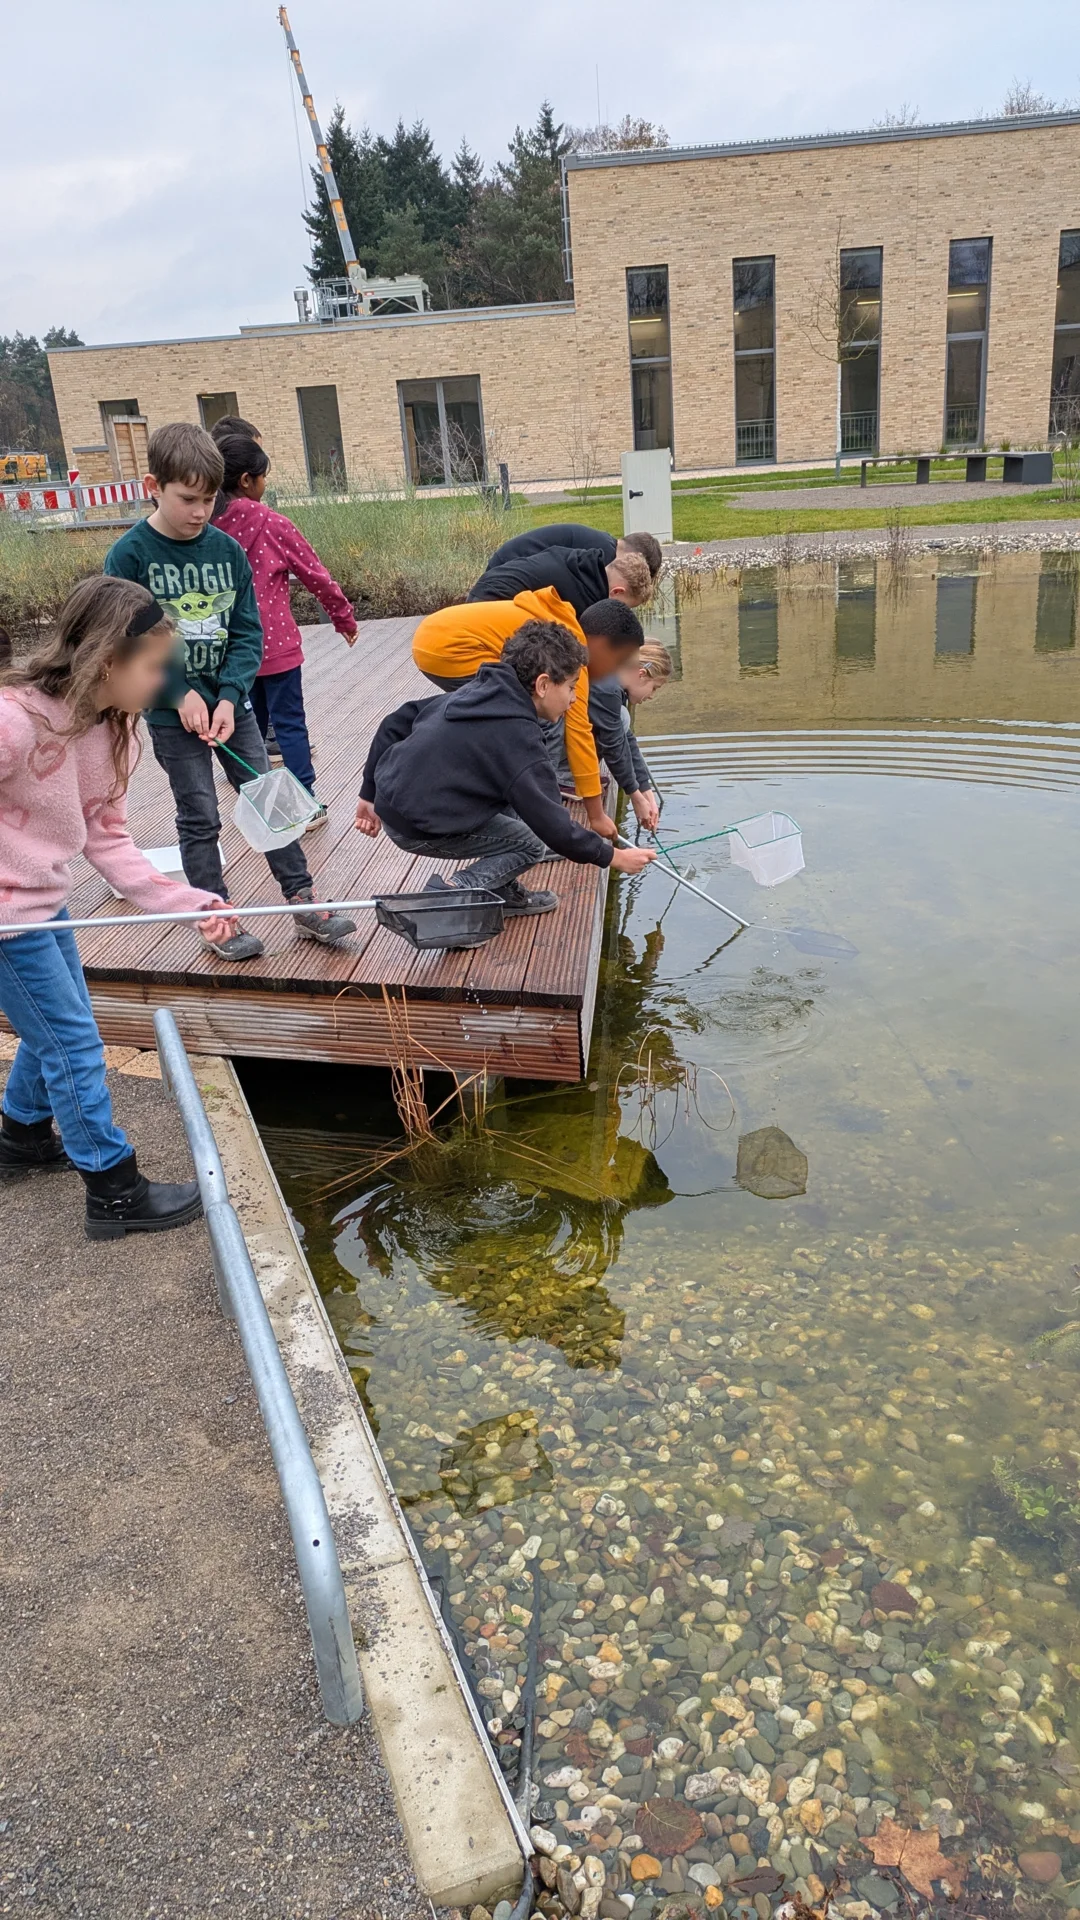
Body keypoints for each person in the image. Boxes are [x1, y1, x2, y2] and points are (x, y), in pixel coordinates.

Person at [0, 575, 238, 1237]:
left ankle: (19, 1138)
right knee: (73, 1042)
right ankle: (113, 1190)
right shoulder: (14, 722)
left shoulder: (117, 733)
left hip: (46, 905)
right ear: (110, 661)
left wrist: (190, 902)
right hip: (5, 924)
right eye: (155, 667)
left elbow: (110, 842)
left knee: (60, 1023)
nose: (163, 680)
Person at [104, 422, 354, 962]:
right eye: (187, 499)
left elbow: (247, 632)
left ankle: (302, 900)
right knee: (199, 815)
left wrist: (228, 694)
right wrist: (179, 694)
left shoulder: (227, 551)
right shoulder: (129, 557)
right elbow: (124, 642)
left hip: (230, 705)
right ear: (154, 484)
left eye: (209, 499)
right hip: (172, 717)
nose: (200, 511)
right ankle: (214, 915)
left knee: (269, 801)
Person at [356, 620, 656, 915]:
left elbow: (395, 721)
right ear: (542, 685)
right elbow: (556, 828)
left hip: (394, 796)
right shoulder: (518, 739)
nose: (574, 698)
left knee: (521, 816)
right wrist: (614, 857)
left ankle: (500, 889)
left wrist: (369, 793)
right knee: (530, 845)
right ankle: (457, 892)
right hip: (417, 826)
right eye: (570, 687)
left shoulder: (482, 690)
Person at [411, 588, 644, 840]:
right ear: (601, 645)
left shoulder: (563, 625)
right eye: (617, 660)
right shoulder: (573, 658)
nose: (614, 671)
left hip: (431, 638)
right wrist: (596, 816)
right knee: (544, 716)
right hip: (452, 650)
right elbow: (580, 736)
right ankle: (535, 824)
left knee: (522, 710)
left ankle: (522, 809)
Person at [212, 433, 358, 827]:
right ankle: (305, 804)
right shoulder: (273, 523)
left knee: (249, 732)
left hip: (229, 650)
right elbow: (315, 575)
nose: (266, 483)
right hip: (275, 647)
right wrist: (342, 617)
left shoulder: (206, 528)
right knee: (290, 725)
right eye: (263, 476)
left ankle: (263, 808)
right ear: (246, 480)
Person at [554, 639, 674, 834]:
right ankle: (564, 778)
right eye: (654, 688)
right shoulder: (606, 690)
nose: (651, 696)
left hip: (559, 736)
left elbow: (627, 740)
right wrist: (635, 796)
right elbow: (613, 746)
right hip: (550, 742)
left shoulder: (612, 682)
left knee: (622, 719)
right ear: (641, 674)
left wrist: (645, 790)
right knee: (621, 717)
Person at [467, 542, 652, 618]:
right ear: (617, 591)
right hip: (488, 608)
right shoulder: (584, 599)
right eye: (624, 606)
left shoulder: (579, 563)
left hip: (483, 589)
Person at [484, 522, 663, 584]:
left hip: (505, 563)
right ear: (635, 559)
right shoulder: (603, 557)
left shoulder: (603, 542)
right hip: (505, 569)